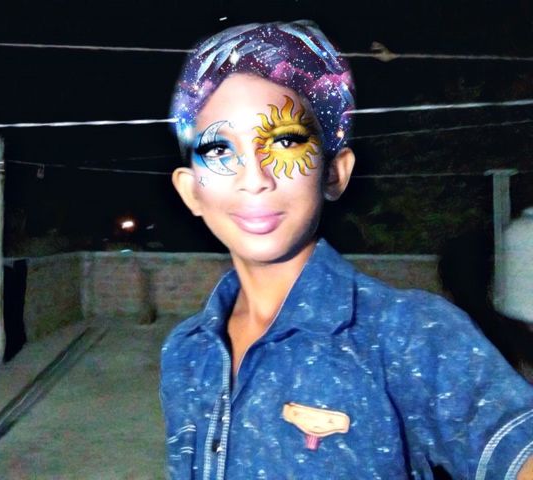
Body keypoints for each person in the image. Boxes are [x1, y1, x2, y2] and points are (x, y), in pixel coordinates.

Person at [160, 20, 533, 479]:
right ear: (190, 191)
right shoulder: (186, 351)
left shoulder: (409, 334)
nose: (254, 178)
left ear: (335, 173)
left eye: (285, 141)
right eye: (220, 150)